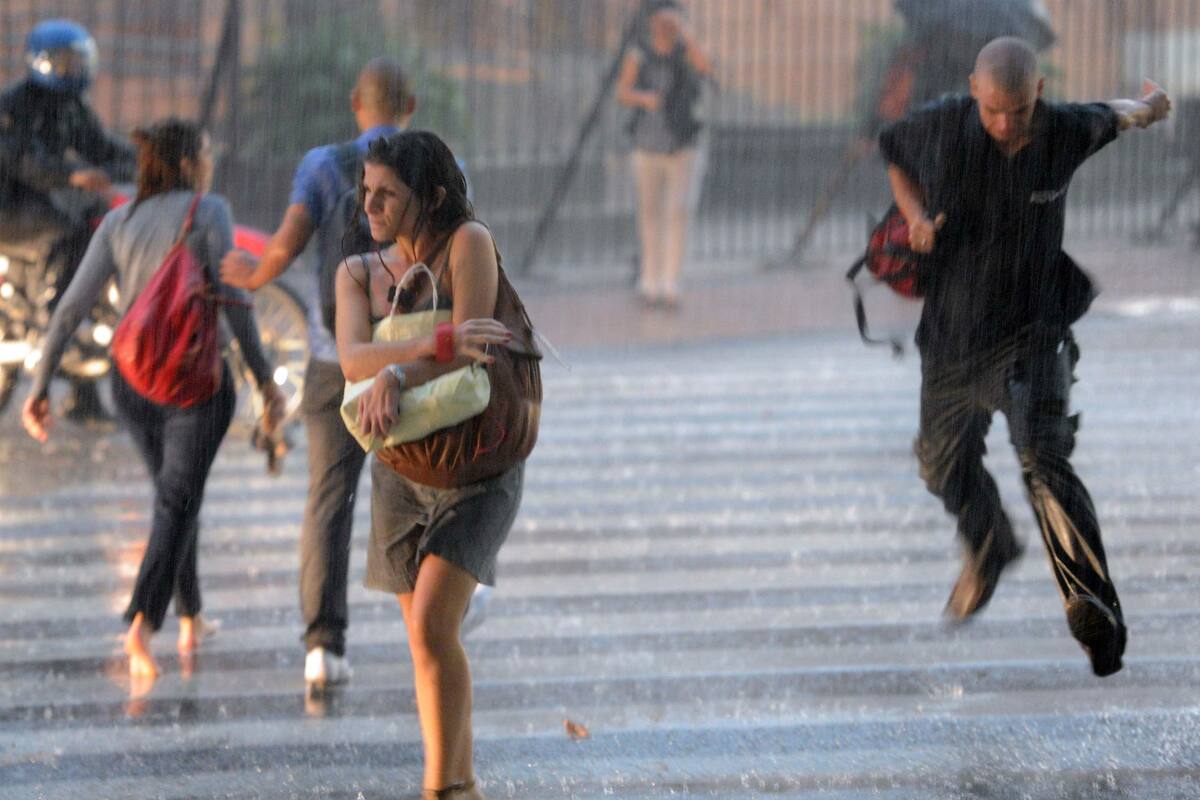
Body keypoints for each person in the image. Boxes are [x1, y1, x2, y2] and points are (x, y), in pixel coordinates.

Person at [879, 37, 1171, 677]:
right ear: (974, 91)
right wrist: (916, 216)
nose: (1006, 124)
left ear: (1037, 93)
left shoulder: (1062, 131)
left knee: (1043, 457)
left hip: (1032, 332)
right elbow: (893, 150)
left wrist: (1151, 107)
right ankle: (989, 544)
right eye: (993, 111)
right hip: (953, 338)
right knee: (941, 468)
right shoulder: (945, 125)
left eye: (1018, 110)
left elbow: (1114, 114)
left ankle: (1094, 609)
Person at [220, 57, 490, 691]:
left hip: (335, 358)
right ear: (411, 105)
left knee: (329, 498)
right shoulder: (442, 164)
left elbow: (287, 243)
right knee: (435, 482)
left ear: (354, 103)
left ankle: (323, 646)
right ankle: (455, 594)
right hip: (416, 358)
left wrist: (253, 277)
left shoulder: (322, 165)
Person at [20, 118, 284, 680]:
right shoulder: (209, 211)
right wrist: (264, 381)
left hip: (133, 382)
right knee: (177, 500)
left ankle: (192, 616)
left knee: (175, 497)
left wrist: (40, 386)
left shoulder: (119, 220)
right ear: (188, 164)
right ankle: (141, 625)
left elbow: (69, 310)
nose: (209, 162)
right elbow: (232, 299)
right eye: (205, 153)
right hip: (195, 381)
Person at [337, 130, 540, 800]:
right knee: (425, 643)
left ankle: (440, 790)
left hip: (476, 466)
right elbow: (352, 361)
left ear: (432, 196)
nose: (371, 206)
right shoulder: (358, 274)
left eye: (387, 194)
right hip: (401, 468)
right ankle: (459, 784)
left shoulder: (467, 243)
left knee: (432, 626)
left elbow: (472, 350)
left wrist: (397, 370)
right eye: (367, 191)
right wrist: (420, 351)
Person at [0, 19, 136, 422]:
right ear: (41, 61)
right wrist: (72, 176)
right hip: (7, 206)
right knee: (71, 232)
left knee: (97, 223)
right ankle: (51, 321)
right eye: (63, 62)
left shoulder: (71, 107)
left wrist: (151, 160)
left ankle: (83, 396)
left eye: (77, 61)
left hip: (36, 201)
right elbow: (23, 162)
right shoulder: (13, 106)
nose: (72, 69)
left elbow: (101, 147)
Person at [616, 0, 712, 310]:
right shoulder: (639, 52)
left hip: (682, 143)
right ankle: (650, 279)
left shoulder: (685, 50)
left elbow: (706, 68)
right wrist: (644, 98)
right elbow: (622, 92)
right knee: (650, 212)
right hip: (647, 144)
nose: (665, 25)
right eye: (661, 19)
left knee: (678, 211)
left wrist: (685, 34)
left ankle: (672, 280)